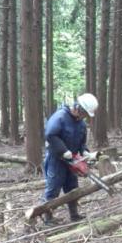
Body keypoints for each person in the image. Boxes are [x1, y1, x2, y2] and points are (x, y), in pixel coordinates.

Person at [42, 93, 99, 225]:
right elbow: (50, 135)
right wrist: (63, 150)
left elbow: (81, 142)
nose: (84, 116)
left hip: (72, 160)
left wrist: (84, 151)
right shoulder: (60, 117)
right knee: (53, 188)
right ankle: (48, 218)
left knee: (73, 188)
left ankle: (74, 214)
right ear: (78, 107)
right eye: (83, 113)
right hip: (56, 159)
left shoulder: (81, 124)